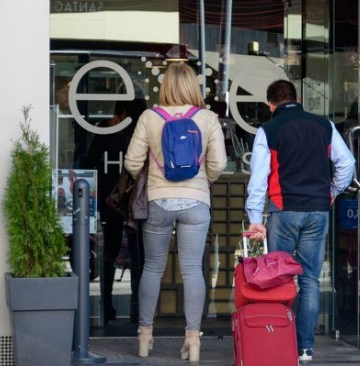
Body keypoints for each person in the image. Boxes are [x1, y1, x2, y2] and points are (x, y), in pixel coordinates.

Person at [245, 80, 355, 362]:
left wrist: (255, 219)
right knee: (309, 279)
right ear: (297, 98)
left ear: (271, 104)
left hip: (284, 209)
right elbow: (347, 164)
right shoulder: (324, 126)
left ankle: (280, 340)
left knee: (278, 279)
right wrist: (330, 192)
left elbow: (258, 179)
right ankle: (305, 348)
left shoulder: (269, 130)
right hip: (318, 211)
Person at [124, 62, 227, 362]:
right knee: (193, 269)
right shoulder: (208, 119)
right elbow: (219, 165)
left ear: (165, 86)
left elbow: (132, 162)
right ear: (194, 86)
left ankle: (145, 336)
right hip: (196, 202)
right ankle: (192, 340)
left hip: (158, 200)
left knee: (153, 268)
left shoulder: (149, 117)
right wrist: (203, 180)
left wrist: (151, 176)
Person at [85, 94, 147, 324]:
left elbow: (89, 161)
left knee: (109, 253)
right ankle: (137, 309)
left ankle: (107, 306)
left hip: (110, 200)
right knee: (139, 256)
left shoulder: (106, 132)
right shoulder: (142, 134)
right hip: (136, 203)